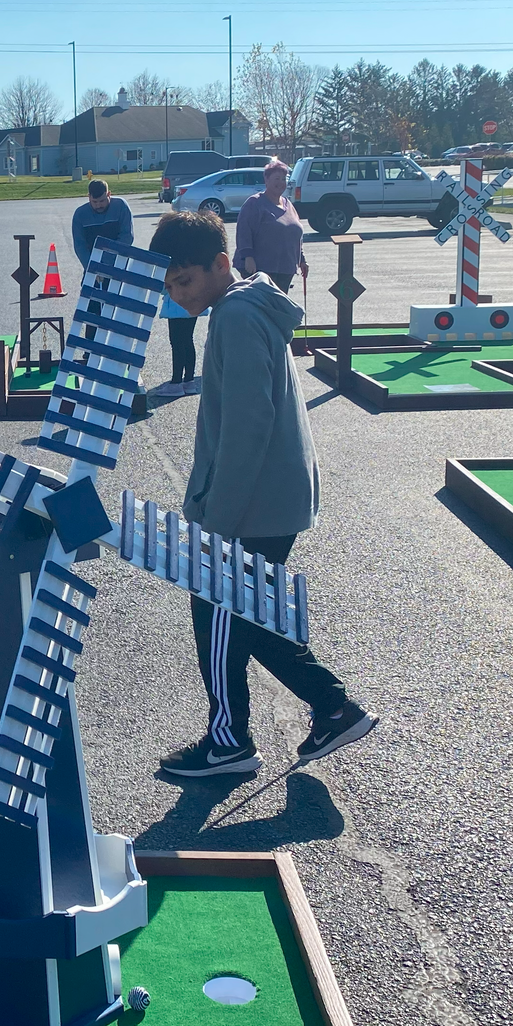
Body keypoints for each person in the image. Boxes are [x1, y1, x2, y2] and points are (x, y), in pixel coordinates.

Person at [144, 209, 375, 779]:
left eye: (186, 281)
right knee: (251, 616)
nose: (178, 295)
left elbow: (249, 425)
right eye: (170, 287)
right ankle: (333, 707)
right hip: (269, 500)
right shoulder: (241, 306)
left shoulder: (237, 318)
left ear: (221, 264)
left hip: (252, 507)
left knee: (219, 615)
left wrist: (216, 522)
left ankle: (230, 742)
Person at [233, 160, 307, 294]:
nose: (280, 182)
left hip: (286, 267)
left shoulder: (288, 204)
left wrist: (302, 260)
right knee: (264, 307)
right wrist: (248, 257)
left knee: (279, 306)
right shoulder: (255, 203)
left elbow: (295, 234)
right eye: (276, 178)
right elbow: (243, 231)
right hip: (260, 268)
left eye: (283, 179)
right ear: (266, 180)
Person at [70, 179, 133, 274]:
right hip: (93, 266)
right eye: (94, 202)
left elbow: (127, 236)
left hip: (119, 263)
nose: (99, 205)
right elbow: (80, 246)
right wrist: (92, 267)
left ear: (109, 194)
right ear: (89, 197)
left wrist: (106, 264)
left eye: (102, 201)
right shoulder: (80, 214)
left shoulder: (121, 206)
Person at [155, 287, 200, 398]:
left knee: (177, 343)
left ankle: (176, 382)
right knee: (188, 340)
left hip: (177, 302)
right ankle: (189, 381)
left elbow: (165, 287)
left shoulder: (175, 268)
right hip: (194, 300)